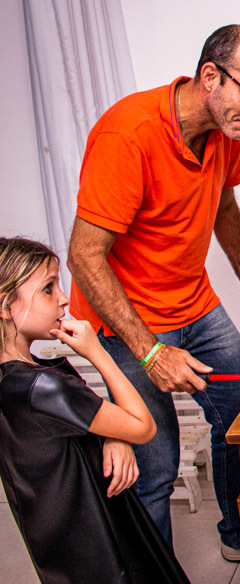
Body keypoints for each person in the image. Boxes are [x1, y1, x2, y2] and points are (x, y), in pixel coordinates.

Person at [67, 24, 240, 561]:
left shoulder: (223, 132)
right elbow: (83, 256)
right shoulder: (129, 135)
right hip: (130, 320)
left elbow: (223, 206)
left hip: (195, 303)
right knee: (157, 462)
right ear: (210, 77)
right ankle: (158, 573)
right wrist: (150, 350)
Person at [0, 236, 190, 583]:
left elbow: (92, 419)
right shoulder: (43, 386)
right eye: (48, 288)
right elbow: (143, 426)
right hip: (100, 547)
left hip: (63, 545)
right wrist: (97, 353)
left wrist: (113, 437)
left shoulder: (20, 379)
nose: (64, 298)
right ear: (5, 306)